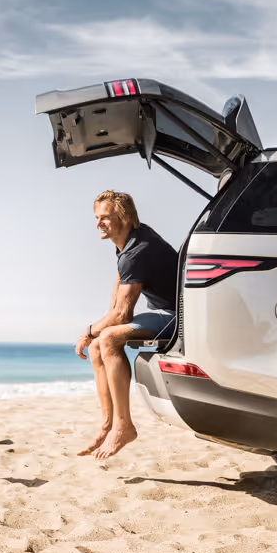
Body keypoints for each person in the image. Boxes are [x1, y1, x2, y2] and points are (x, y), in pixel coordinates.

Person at [75, 190, 178, 460]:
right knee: (98, 346)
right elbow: (121, 281)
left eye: (105, 217)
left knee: (107, 338)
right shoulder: (130, 241)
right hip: (163, 312)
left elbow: (122, 315)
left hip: (177, 316)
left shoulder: (137, 251)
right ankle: (107, 424)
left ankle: (124, 426)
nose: (99, 223)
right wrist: (97, 330)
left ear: (125, 217)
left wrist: (89, 331)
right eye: (97, 218)